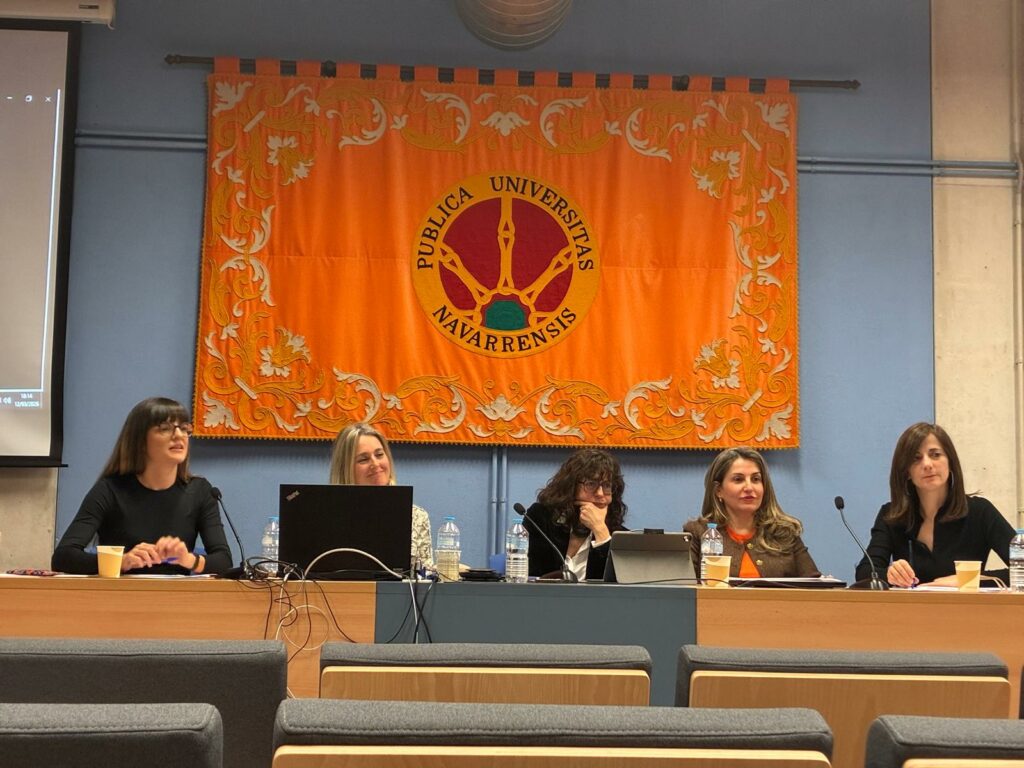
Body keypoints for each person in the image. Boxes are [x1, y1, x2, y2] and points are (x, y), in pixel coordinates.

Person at [52, 397, 232, 575]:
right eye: (165, 428)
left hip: (177, 599)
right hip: (120, 598)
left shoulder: (200, 491)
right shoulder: (109, 490)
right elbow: (63, 557)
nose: (179, 435)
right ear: (140, 441)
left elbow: (224, 561)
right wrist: (121, 561)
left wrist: (188, 560)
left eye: (184, 429)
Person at [856, 422, 1014, 587]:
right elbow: (864, 572)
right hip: (910, 611)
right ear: (906, 471)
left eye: (935, 454)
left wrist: (967, 579)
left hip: (967, 611)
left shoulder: (980, 512)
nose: (927, 464)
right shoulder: (891, 515)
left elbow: (1021, 570)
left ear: (950, 462)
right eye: (916, 458)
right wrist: (890, 574)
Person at [684, 447, 820, 579]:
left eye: (755, 479)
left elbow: (816, 588)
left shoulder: (784, 532)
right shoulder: (698, 533)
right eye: (738, 479)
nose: (749, 487)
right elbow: (684, 592)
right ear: (718, 490)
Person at [328, 422, 433, 571]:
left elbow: (425, 577)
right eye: (363, 459)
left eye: (379, 455)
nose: (376, 464)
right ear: (345, 468)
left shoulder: (416, 516)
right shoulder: (328, 515)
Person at [523, 448, 628, 580]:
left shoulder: (618, 535)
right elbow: (534, 575)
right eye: (591, 484)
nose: (600, 493)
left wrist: (600, 532)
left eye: (607, 485)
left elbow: (612, 588)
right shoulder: (540, 518)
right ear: (571, 486)